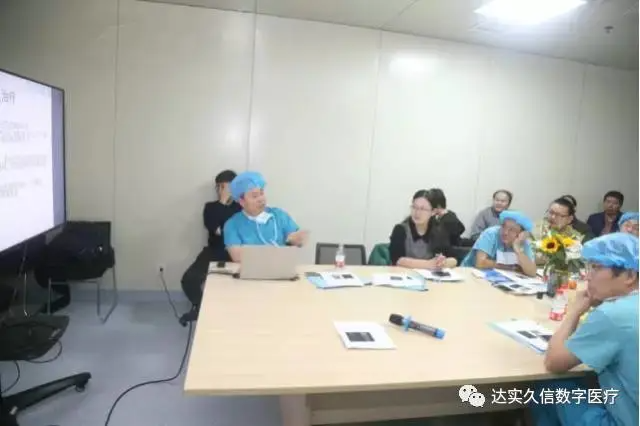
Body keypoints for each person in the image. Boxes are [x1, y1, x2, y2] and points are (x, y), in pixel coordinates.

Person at [530, 232, 638, 426]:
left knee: (550, 388)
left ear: (630, 275)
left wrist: (574, 311)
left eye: (596, 267)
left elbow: (554, 362)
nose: (587, 276)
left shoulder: (613, 314)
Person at [179, 170, 241, 324]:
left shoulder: (241, 208)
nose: (220, 191)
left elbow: (233, 231)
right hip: (214, 251)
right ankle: (200, 308)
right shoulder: (210, 207)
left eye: (224, 187)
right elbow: (215, 229)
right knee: (189, 279)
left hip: (236, 252)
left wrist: (225, 228)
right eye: (218, 187)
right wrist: (222, 203)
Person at [223, 171, 307, 262]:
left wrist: (297, 240)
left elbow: (295, 239)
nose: (261, 199)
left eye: (262, 193)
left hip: (281, 267)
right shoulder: (232, 224)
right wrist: (273, 253)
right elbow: (237, 257)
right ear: (242, 202)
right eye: (255, 196)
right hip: (251, 269)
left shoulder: (279, 215)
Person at [389, 190, 457, 270]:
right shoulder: (400, 229)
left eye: (423, 209)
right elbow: (398, 260)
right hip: (403, 275)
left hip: (429, 277)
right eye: (414, 207)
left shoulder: (439, 230)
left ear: (433, 212)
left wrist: (442, 262)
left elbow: (454, 259)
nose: (417, 212)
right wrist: (429, 264)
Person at [461, 210, 536, 277]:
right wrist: (510, 267)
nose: (505, 232)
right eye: (503, 226)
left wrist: (518, 250)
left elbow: (532, 272)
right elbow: (480, 263)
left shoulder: (524, 243)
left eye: (512, 230)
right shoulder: (490, 234)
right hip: (471, 273)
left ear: (521, 233)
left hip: (501, 278)